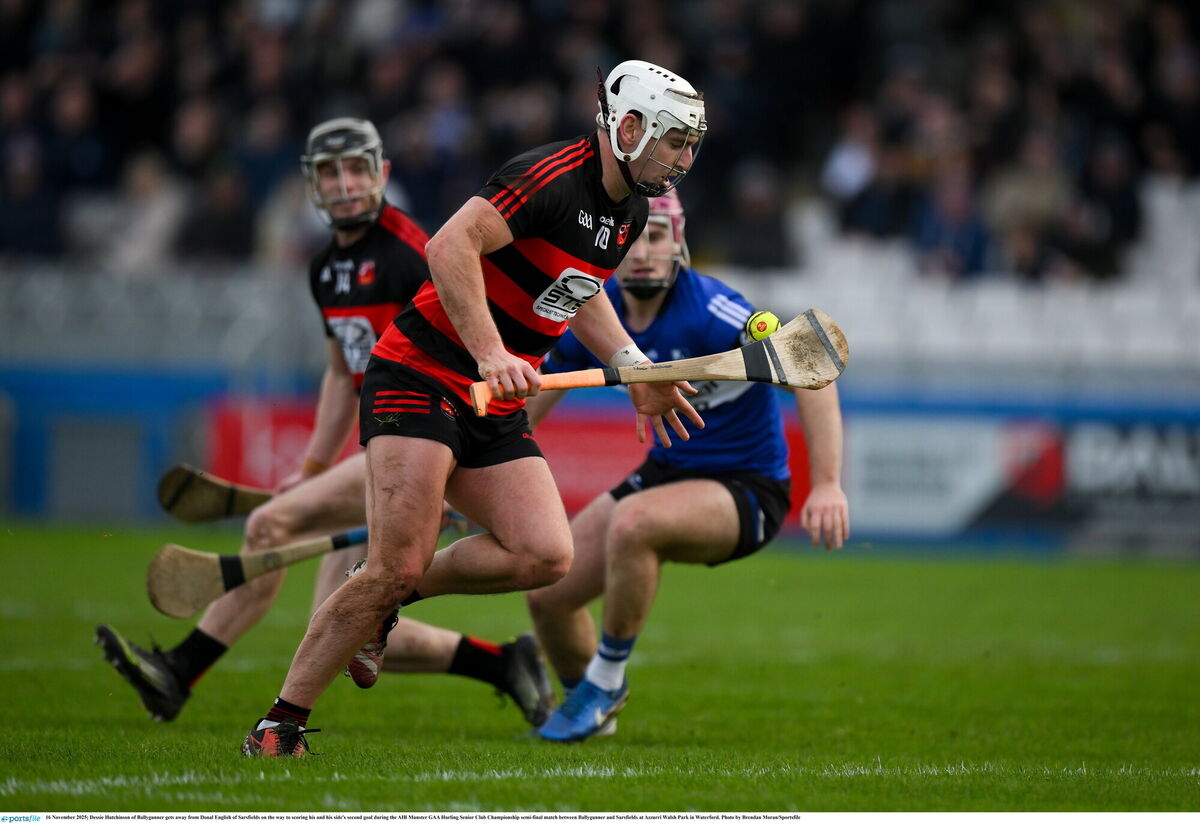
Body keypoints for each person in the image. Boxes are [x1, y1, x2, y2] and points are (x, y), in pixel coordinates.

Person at [242, 60, 708, 757]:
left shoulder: (630, 210)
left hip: (490, 402)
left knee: (545, 552)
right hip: (420, 372)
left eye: (691, 144)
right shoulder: (551, 177)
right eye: (675, 140)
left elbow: (578, 291)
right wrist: (491, 351)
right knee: (396, 560)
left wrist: (633, 365)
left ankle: (383, 601)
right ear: (630, 126)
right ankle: (280, 724)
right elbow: (449, 244)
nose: (685, 157)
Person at [96, 117, 553, 729]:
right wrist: (310, 467)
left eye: (358, 168)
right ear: (311, 185)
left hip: (423, 432)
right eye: (330, 172)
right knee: (343, 616)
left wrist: (447, 475)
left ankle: (183, 674)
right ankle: (504, 664)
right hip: (388, 435)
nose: (344, 184)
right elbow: (343, 374)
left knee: (275, 530)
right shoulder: (326, 268)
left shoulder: (413, 254)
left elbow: (470, 354)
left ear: (383, 173)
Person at [523, 189, 851, 742]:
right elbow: (531, 409)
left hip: (748, 488)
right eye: (635, 239)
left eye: (658, 237)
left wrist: (827, 486)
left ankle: (606, 682)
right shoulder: (597, 313)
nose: (645, 251)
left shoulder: (718, 312)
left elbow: (812, 368)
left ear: (679, 245)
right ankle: (591, 713)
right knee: (548, 594)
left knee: (635, 526)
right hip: (665, 476)